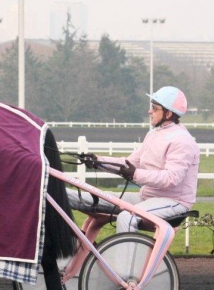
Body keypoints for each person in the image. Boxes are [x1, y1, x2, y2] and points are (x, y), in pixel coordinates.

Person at [67, 86, 200, 233]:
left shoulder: (182, 140)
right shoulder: (153, 135)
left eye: (155, 109)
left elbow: (171, 178)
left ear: (168, 113)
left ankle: (125, 249)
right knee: (71, 196)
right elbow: (129, 164)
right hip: (145, 198)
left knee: (127, 217)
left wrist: (135, 174)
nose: (149, 111)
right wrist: (98, 162)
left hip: (174, 203)